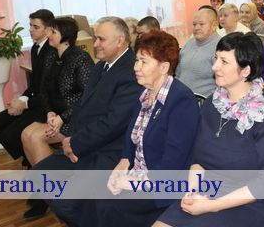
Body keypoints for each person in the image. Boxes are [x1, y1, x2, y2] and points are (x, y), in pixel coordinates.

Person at [155, 32, 264, 227]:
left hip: (251, 202)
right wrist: (193, 192)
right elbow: (198, 161)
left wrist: (211, 206)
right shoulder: (213, 103)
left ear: (245, 71)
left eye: (224, 61)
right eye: (216, 58)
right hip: (209, 191)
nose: (215, 66)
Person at [27, 17, 142, 224]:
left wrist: (75, 143)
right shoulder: (102, 66)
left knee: (67, 202)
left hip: (110, 151)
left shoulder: (131, 72)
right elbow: (83, 107)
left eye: (101, 39)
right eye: (96, 38)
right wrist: (69, 137)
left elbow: (113, 124)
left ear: (120, 41)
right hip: (85, 142)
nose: (95, 43)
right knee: (39, 176)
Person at [97, 30, 200, 227]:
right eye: (137, 60)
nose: (136, 67)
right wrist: (121, 167)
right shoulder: (145, 94)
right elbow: (131, 144)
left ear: (164, 67)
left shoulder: (181, 101)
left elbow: (172, 165)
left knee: (108, 207)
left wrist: (131, 182)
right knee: (94, 196)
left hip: (163, 186)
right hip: (138, 174)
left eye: (144, 62)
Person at [0, 9, 57, 164]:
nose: (30, 30)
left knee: (11, 134)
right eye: (30, 25)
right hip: (34, 101)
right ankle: (29, 157)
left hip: (45, 107)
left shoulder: (52, 51)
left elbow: (49, 92)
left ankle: (34, 160)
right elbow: (35, 84)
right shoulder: (35, 48)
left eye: (36, 27)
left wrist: (24, 105)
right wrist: (21, 99)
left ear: (48, 30)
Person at [21, 17, 94, 166]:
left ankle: (51, 179)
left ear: (65, 36)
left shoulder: (81, 58)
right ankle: (41, 177)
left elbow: (88, 96)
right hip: (55, 116)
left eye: (53, 32)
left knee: (35, 137)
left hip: (74, 118)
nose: (48, 35)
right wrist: (49, 112)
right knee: (26, 134)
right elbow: (43, 90)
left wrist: (62, 117)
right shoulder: (52, 56)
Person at [176, 8, 221, 98]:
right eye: (194, 24)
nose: (196, 28)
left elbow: (223, 85)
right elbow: (178, 74)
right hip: (180, 98)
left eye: (201, 24)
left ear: (214, 25)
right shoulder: (189, 43)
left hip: (204, 101)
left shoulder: (221, 47)